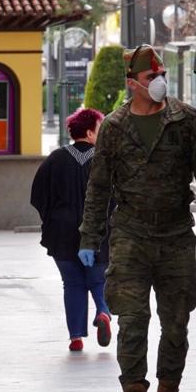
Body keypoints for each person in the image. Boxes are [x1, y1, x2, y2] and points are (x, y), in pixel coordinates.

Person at [77, 44, 196, 392]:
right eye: (152, 76)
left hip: (176, 236)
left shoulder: (185, 120)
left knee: (176, 324)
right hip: (130, 235)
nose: (160, 81)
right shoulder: (114, 127)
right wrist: (89, 237)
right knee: (132, 323)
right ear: (133, 83)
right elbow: (98, 188)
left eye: (161, 74)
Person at [31, 108, 113, 352]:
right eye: (100, 129)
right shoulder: (105, 160)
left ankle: (76, 337)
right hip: (99, 232)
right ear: (89, 133)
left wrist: (52, 219)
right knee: (98, 279)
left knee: (72, 283)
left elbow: (37, 195)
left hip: (61, 233)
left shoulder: (55, 159)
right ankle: (103, 312)